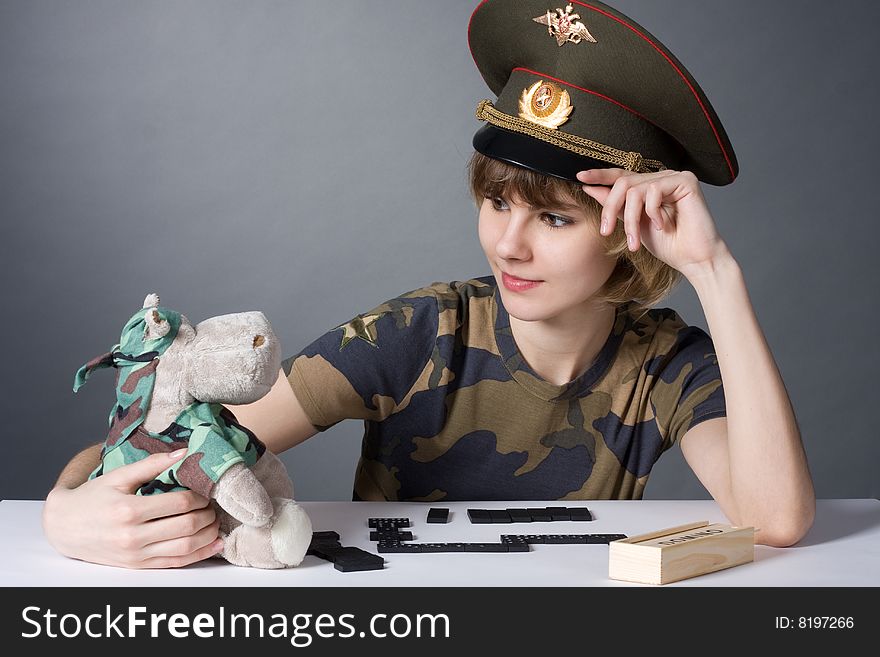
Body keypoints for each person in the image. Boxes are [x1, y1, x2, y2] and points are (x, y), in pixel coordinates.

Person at [42, 0, 815, 569]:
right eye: (497, 200)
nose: (507, 243)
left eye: (554, 220)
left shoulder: (666, 364)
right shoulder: (419, 334)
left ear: (626, 231)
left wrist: (713, 269)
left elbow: (776, 518)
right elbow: (172, 439)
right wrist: (66, 512)